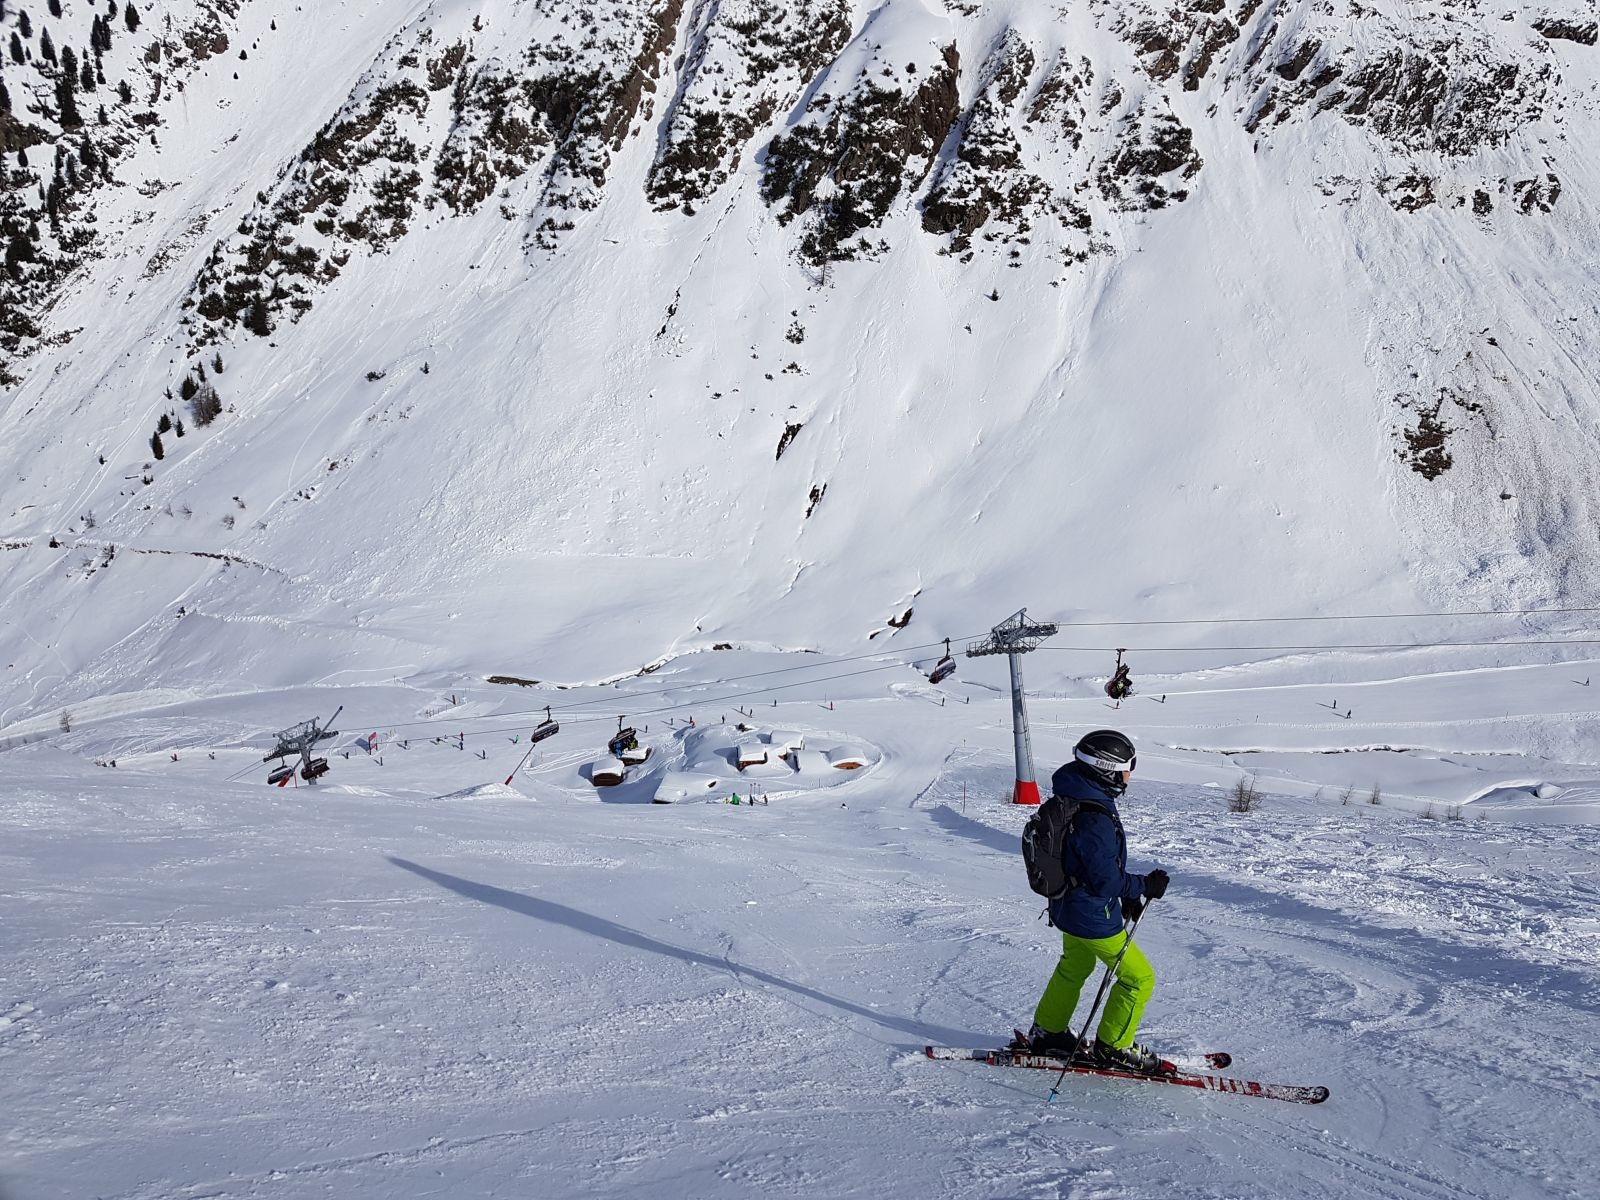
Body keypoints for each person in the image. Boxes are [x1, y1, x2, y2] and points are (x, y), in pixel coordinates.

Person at [1018, 729, 1170, 1072]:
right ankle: (1114, 1047)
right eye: (1128, 766)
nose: (1130, 774)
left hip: (1068, 906)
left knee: (1076, 966)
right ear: (1107, 769)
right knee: (1138, 978)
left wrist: (1127, 895)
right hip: (1091, 915)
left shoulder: (1075, 795)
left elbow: (1089, 866)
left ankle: (1048, 1031)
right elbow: (1105, 878)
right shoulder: (1094, 815)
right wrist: (1143, 885)